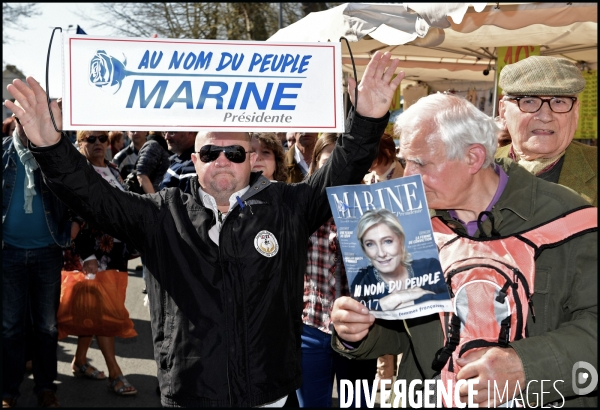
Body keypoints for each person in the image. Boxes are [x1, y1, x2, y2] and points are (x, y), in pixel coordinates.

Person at [6, 50, 404, 407]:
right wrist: (50, 146)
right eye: (211, 152)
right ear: (195, 159)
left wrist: (367, 120)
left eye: (234, 152)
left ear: (251, 158)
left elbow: (343, 168)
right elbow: (91, 196)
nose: (223, 161)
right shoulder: (163, 213)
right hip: (190, 391)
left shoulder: (289, 206)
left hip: (270, 392)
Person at [330, 92, 597, 407]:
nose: (407, 177)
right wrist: (358, 330)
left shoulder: (570, 218)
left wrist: (526, 366)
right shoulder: (407, 223)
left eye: (422, 163)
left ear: (473, 157)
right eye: (405, 161)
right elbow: (406, 331)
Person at [296, 133, 376, 408]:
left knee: (357, 404)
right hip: (310, 325)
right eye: (331, 166)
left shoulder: (374, 205)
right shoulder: (299, 204)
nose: (339, 175)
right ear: (316, 166)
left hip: (359, 328)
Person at [2, 113, 75, 408]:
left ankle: (46, 388)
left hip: (48, 251)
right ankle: (8, 391)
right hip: (9, 252)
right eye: (24, 119)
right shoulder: (4, 152)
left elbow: (81, 193)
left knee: (46, 326)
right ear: (15, 121)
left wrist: (76, 225)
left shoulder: (59, 154)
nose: (30, 125)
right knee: (9, 326)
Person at [64, 130, 137, 396]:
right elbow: (73, 214)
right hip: (93, 255)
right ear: (79, 143)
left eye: (102, 139)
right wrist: (87, 256)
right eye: (90, 139)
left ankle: (80, 361)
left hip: (115, 252)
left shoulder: (114, 169)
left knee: (94, 313)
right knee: (104, 314)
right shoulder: (78, 174)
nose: (98, 144)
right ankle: (115, 374)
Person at [495, 55, 597, 206]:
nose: (545, 116)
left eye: (558, 101)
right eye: (529, 101)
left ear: (575, 113)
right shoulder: (478, 166)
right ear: (503, 112)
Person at [351, 209, 440, 311]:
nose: (381, 253)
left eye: (388, 241)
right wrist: (387, 302)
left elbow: (452, 298)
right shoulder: (363, 279)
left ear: (400, 240)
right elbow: (354, 313)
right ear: (364, 249)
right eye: (370, 244)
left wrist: (409, 302)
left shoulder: (429, 266)